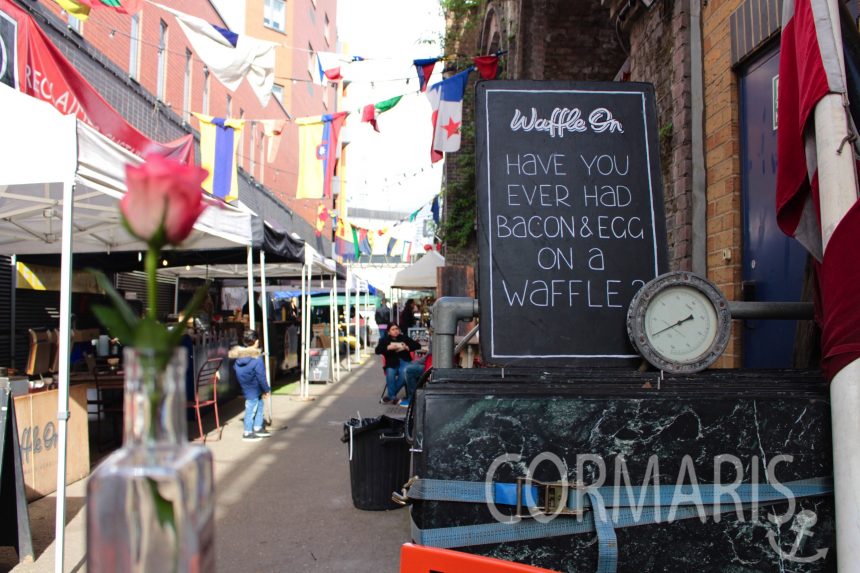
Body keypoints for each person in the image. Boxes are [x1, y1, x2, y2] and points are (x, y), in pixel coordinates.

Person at [229, 329, 272, 441]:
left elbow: (235, 369)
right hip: (255, 387)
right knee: (251, 409)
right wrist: (266, 389)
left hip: (247, 386)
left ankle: (257, 428)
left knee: (259, 405)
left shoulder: (239, 358)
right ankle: (247, 432)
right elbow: (261, 377)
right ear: (256, 341)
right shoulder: (256, 358)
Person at [375, 323, 420, 405]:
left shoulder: (404, 338)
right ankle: (392, 397)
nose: (395, 331)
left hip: (404, 361)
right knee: (390, 372)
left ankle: (390, 396)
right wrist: (387, 348)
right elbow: (377, 350)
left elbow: (417, 345)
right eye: (393, 329)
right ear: (388, 332)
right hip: (391, 362)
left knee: (405, 372)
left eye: (397, 329)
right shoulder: (384, 340)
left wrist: (407, 347)